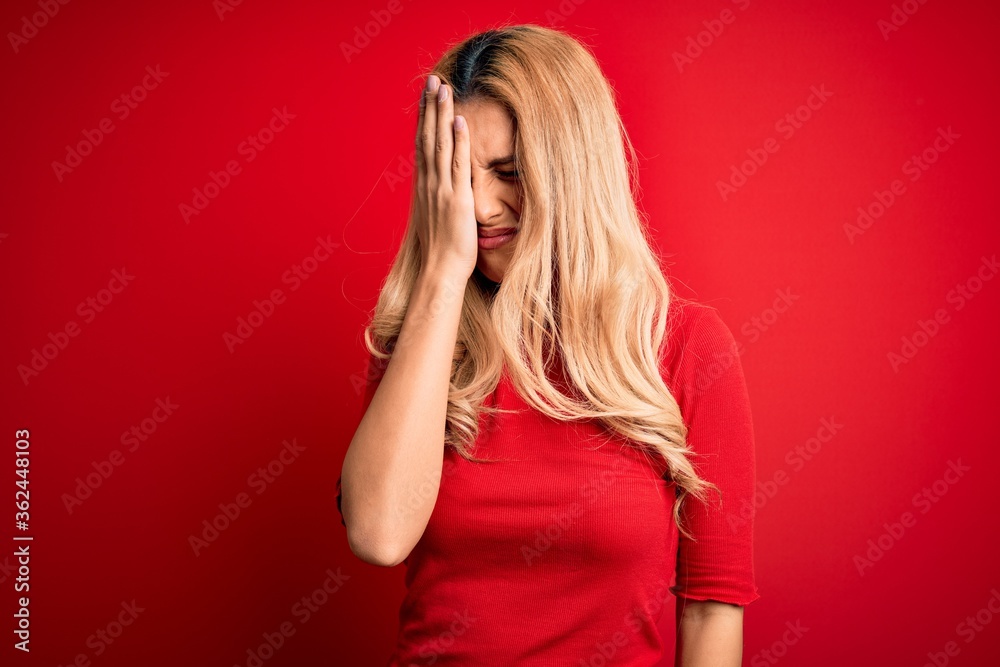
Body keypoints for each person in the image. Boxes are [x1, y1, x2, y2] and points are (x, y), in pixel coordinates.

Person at [337, 24, 760, 666]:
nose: (478, 207)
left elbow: (709, 611)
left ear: (572, 172)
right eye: (459, 177)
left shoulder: (684, 347)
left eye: (507, 173)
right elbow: (377, 533)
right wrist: (442, 278)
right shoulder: (424, 338)